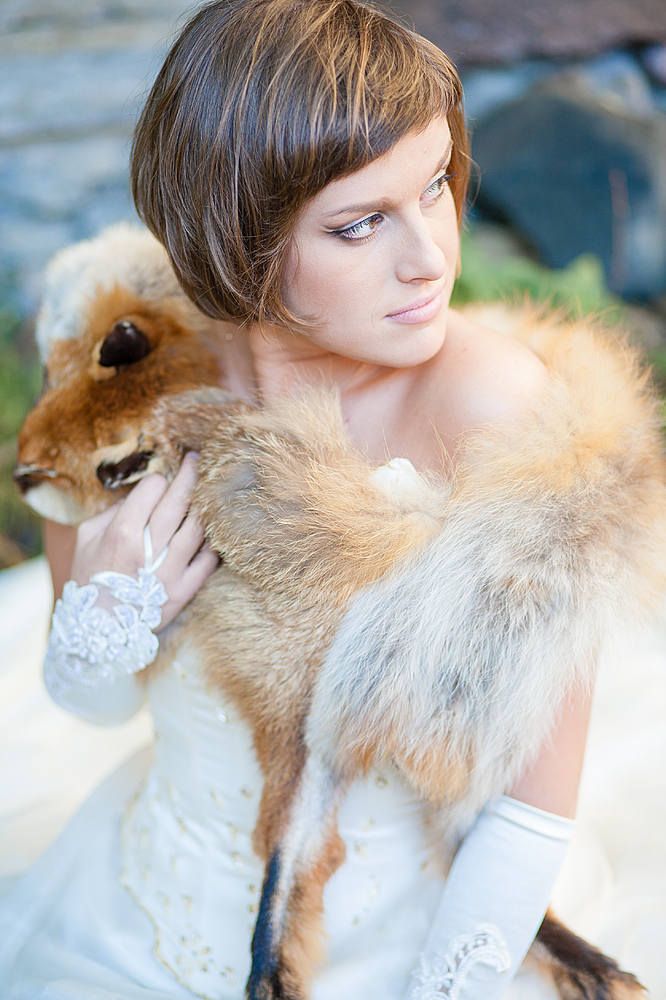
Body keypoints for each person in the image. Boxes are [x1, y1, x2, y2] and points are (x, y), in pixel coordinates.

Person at [0, 1, 662, 998]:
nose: (430, 256)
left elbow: (528, 812)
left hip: (431, 930)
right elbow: (90, 709)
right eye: (360, 225)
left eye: (434, 185)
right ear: (234, 240)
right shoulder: (124, 374)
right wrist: (102, 617)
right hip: (142, 914)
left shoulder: (504, 415)